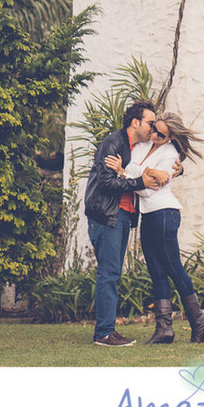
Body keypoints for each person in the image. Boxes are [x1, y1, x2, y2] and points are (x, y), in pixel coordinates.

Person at [105, 111, 204, 345]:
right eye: (154, 129)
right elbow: (138, 172)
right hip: (148, 215)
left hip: (164, 213)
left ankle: (199, 322)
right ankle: (164, 329)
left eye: (161, 134)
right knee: (156, 270)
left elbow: (146, 189)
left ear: (170, 137)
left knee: (173, 268)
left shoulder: (171, 154)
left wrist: (125, 173)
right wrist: (145, 173)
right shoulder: (144, 145)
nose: (154, 135)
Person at [84, 99, 170, 347]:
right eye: (150, 123)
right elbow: (106, 182)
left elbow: (166, 152)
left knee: (112, 274)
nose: (153, 128)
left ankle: (107, 330)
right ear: (135, 122)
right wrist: (139, 182)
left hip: (122, 216)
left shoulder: (138, 147)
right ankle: (104, 333)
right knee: (109, 274)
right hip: (107, 216)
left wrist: (177, 169)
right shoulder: (113, 142)